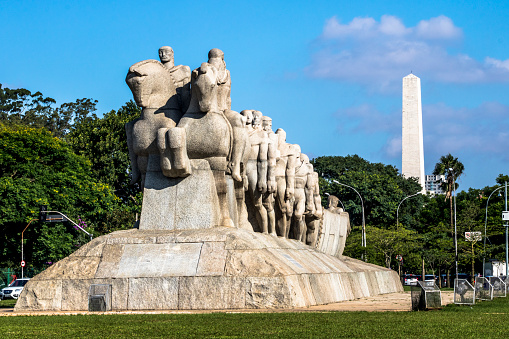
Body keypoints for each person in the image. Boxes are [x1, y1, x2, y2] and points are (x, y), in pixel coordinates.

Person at [158, 46, 191, 114]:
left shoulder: (183, 70)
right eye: (160, 52)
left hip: (178, 108)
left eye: (166, 52)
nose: (163, 55)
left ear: (172, 53)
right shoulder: (156, 73)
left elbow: (186, 93)